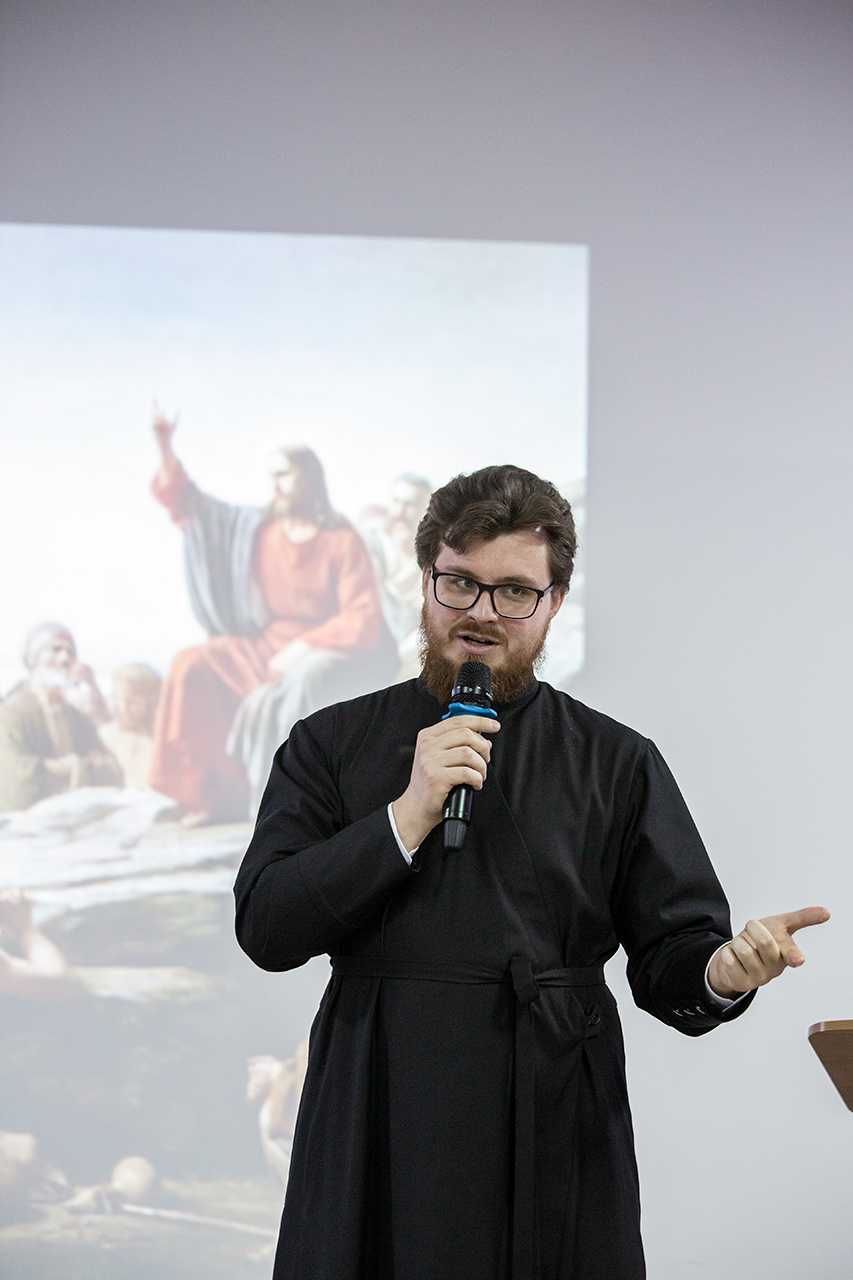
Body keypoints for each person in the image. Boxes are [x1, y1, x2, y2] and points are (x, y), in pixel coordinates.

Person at [234, 465, 829, 1280]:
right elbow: (267, 926)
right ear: (424, 581)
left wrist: (721, 973)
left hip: (549, 1103)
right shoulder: (329, 742)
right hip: (378, 1094)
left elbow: (674, 956)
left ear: (553, 603)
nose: (481, 611)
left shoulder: (615, 761)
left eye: (514, 591)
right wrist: (406, 813)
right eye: (459, 583)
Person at [149, 415, 397, 822]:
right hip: (263, 647)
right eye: (272, 476)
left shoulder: (340, 540)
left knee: (298, 686)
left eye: (284, 474)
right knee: (189, 664)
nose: (275, 484)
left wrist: (304, 647)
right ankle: (211, 793)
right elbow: (191, 504)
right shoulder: (256, 532)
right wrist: (163, 443)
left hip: (317, 649)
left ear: (309, 478)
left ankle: (278, 800)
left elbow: (363, 619)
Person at [0, 622, 120, 812]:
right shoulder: (11, 712)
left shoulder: (75, 715)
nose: (65, 658)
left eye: (70, 652)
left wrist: (80, 766)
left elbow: (110, 767)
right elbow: (14, 772)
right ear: (34, 658)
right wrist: (65, 768)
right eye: (56, 650)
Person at [360, 473, 433, 679]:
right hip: (379, 629)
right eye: (396, 502)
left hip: (414, 634)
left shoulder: (436, 549)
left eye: (410, 505)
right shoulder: (373, 538)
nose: (400, 512)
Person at [98, 663, 162, 788]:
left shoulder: (163, 739)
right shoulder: (105, 736)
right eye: (119, 699)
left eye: (133, 702)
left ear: (152, 702)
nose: (124, 708)